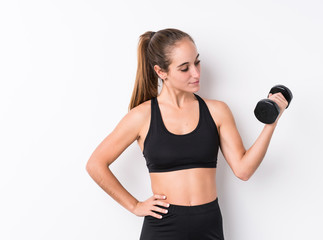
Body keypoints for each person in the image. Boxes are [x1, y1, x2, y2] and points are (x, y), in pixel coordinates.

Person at [85, 28, 288, 240]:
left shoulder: (217, 111)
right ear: (161, 72)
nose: (196, 73)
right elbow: (95, 164)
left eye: (197, 62)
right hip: (163, 227)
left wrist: (270, 124)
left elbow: (243, 170)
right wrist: (135, 205)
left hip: (208, 225)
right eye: (184, 68)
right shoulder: (142, 116)